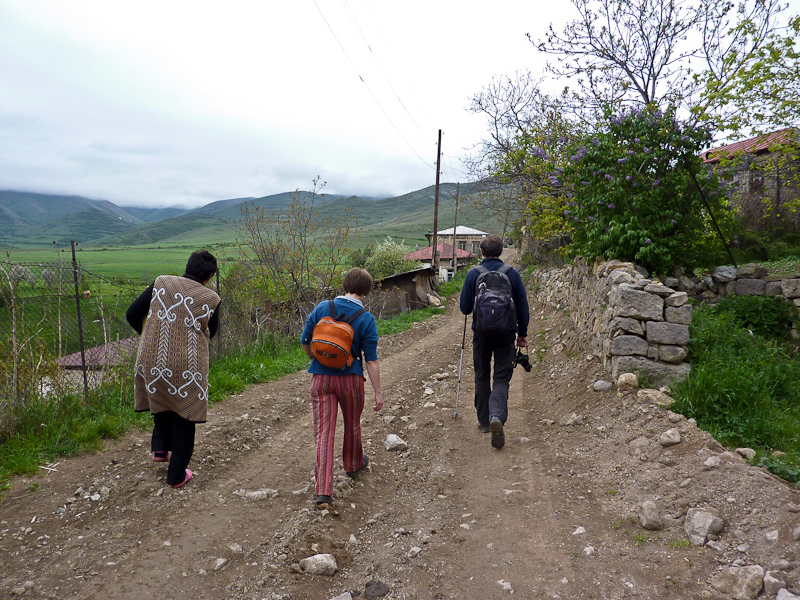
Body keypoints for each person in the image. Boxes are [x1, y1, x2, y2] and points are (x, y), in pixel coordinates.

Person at [125, 250, 221, 488]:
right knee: (184, 414)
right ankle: (176, 476)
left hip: (150, 355)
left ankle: (159, 449)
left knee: (162, 396)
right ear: (209, 276)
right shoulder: (211, 298)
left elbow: (132, 313)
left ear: (186, 267)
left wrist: (149, 336)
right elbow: (212, 332)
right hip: (187, 362)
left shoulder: (161, 282)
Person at [301, 267, 384, 504]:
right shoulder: (366, 319)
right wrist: (378, 392)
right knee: (352, 424)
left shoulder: (322, 308)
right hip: (350, 379)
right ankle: (353, 464)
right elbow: (371, 360)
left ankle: (323, 490)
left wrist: (316, 360)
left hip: (320, 379)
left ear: (344, 285)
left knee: (324, 433)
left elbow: (305, 340)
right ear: (366, 292)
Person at [460, 234, 529, 449]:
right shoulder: (512, 274)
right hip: (506, 333)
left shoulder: (473, 274)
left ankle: (483, 422)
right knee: (501, 378)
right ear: (501, 251)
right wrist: (522, 334)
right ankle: (497, 415)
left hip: (481, 334)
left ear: (481, 252)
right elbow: (522, 306)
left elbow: (464, 308)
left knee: (481, 375)